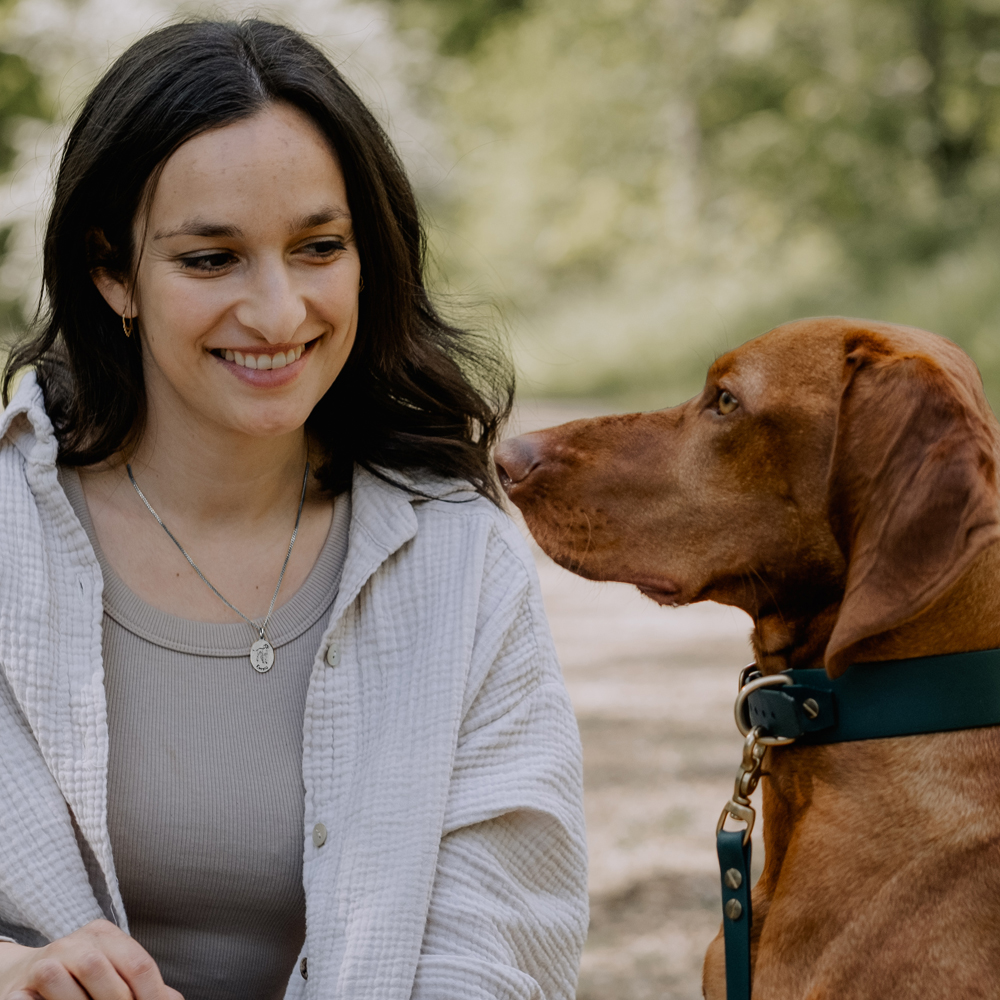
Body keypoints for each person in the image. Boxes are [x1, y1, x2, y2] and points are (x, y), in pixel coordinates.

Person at [0, 19, 587, 1000]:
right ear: (110, 271)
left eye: (319, 246)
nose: (278, 313)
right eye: (210, 259)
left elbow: (502, 951)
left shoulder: (458, 559)